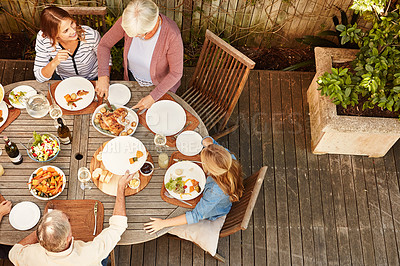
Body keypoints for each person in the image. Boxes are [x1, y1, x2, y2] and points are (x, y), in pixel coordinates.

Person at [8, 171, 134, 266]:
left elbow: (13, 253)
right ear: (69, 237)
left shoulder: (28, 256)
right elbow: (118, 225)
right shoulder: (90, 253)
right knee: (104, 257)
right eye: (67, 221)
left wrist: (44, 229)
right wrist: (120, 187)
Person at [144, 136, 243, 235]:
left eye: (204, 162)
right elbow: (210, 142)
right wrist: (208, 143)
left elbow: (195, 215)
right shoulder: (227, 157)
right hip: (220, 195)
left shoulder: (215, 190)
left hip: (213, 210)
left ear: (211, 170)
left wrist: (163, 223)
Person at [96, 0, 184, 110]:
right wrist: (103, 75)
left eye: (142, 34)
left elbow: (176, 73)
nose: (137, 38)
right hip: (132, 79)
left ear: (155, 21)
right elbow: (104, 45)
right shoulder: (130, 19)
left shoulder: (172, 35)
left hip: (159, 86)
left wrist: (153, 97)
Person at [33, 6, 103, 82]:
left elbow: (106, 59)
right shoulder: (43, 39)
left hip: (93, 78)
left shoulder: (90, 35)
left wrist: (102, 79)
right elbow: (39, 77)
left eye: (72, 23)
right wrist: (54, 62)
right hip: (64, 80)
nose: (73, 31)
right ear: (54, 35)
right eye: (66, 31)